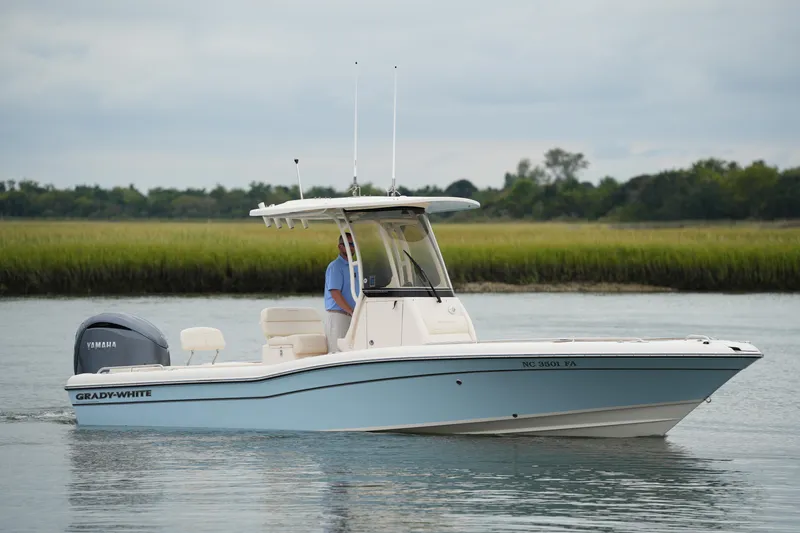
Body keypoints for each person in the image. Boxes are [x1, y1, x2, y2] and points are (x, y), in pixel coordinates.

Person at [324, 233, 360, 352]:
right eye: (349, 244)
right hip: (338, 315)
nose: (352, 247)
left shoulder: (356, 266)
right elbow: (335, 293)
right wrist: (350, 311)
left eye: (354, 244)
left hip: (353, 315)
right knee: (337, 351)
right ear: (340, 247)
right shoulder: (335, 267)